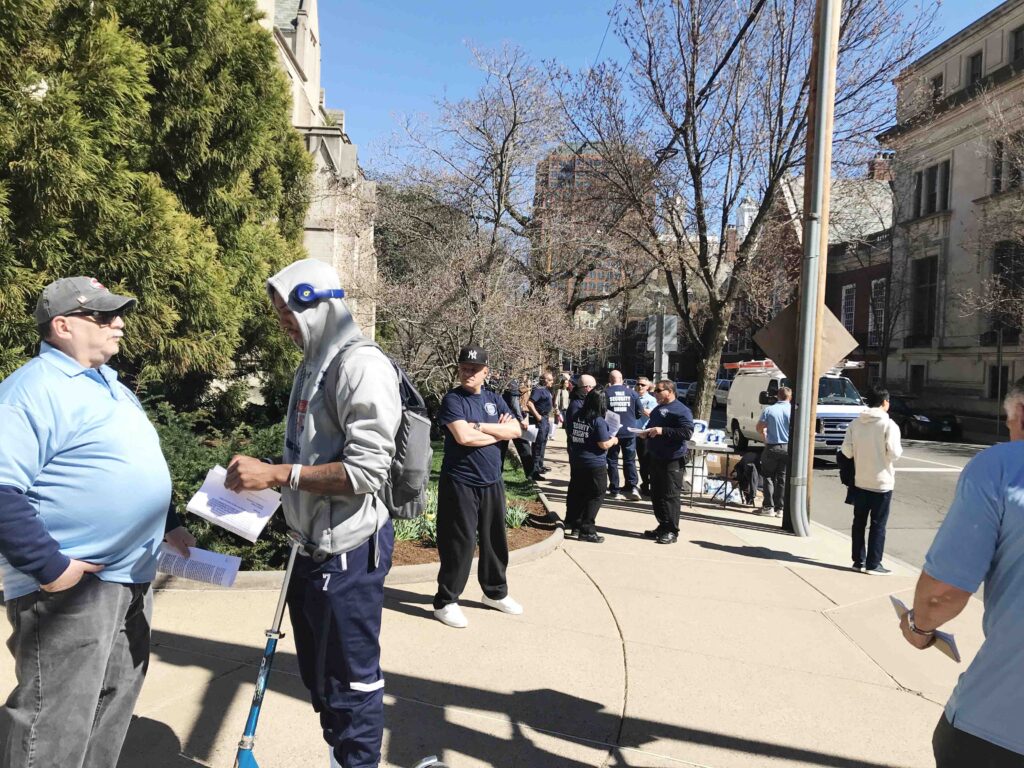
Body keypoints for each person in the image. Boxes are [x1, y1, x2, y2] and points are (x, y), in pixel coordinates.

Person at [0, 276, 196, 768]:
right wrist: (50, 567)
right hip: (70, 585)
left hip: (131, 576)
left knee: (112, 706)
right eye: (104, 316)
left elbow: (129, 462)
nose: (120, 324)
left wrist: (168, 520)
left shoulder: (112, 387)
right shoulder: (32, 389)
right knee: (55, 720)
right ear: (62, 326)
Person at [225, 259, 401, 768]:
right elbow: (308, 452)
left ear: (316, 302)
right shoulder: (313, 363)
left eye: (287, 312)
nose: (283, 323)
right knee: (321, 680)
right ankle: (340, 757)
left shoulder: (360, 365)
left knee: (352, 683)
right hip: (310, 547)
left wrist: (278, 475)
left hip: (347, 551)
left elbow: (367, 472)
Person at [899, 378, 1024, 766]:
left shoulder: (1000, 467)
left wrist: (919, 629)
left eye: (1009, 423)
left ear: (1020, 412)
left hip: (1001, 724)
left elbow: (942, 593)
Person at [432, 345, 524, 629]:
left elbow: (517, 431)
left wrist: (482, 428)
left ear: (486, 372)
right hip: (460, 481)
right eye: (464, 368)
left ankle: (495, 593)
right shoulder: (453, 400)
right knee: (459, 543)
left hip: (492, 480)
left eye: (474, 369)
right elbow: (462, 437)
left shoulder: (495, 400)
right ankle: (446, 601)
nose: (468, 373)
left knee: (495, 539)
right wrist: (497, 433)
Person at [841, 384, 902, 575]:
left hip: (860, 480)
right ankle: (874, 563)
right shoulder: (889, 425)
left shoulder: (855, 423)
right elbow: (894, 453)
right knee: (878, 524)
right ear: (885, 402)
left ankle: (858, 560)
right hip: (882, 482)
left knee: (858, 522)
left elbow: (847, 451)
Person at [640, 381, 695, 544]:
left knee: (670, 495)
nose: (655, 393)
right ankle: (662, 525)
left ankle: (672, 530)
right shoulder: (658, 410)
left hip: (672, 459)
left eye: (658, 390)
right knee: (656, 494)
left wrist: (663, 431)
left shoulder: (681, 410)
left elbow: (687, 432)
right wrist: (645, 433)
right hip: (655, 456)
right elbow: (651, 427)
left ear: (670, 391)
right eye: (654, 390)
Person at [565, 388, 618, 542]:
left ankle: (575, 525)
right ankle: (587, 530)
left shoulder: (577, 416)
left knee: (578, 493)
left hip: (577, 460)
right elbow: (603, 444)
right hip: (594, 464)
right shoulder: (599, 421)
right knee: (596, 494)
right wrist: (614, 440)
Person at [605, 369, 645, 501]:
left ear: (610, 380)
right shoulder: (632, 393)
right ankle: (632, 486)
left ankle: (614, 489)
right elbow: (639, 412)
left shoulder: (606, 393)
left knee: (612, 460)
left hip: (612, 433)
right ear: (622, 380)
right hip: (629, 431)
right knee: (630, 460)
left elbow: (601, 411)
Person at [756, 385, 792, 518]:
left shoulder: (769, 410)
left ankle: (768, 507)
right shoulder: (792, 411)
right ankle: (780, 508)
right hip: (788, 447)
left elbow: (759, 427)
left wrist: (764, 435)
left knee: (768, 476)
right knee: (782, 477)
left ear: (778, 395)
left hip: (772, 446)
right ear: (790, 397)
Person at [526, 371, 555, 479]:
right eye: (551, 380)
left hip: (545, 419)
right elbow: (529, 403)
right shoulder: (538, 390)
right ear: (545, 380)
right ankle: (534, 472)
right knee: (538, 445)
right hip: (540, 420)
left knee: (543, 443)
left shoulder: (545, 390)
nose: (552, 382)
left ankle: (539, 466)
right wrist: (538, 416)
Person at [501, 377, 530, 471]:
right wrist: (520, 419)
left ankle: (498, 472)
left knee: (501, 449)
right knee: (524, 447)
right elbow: (514, 404)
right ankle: (531, 473)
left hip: (503, 419)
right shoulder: (512, 383)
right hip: (512, 421)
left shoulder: (503, 382)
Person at [635, 377, 658, 496]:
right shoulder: (633, 396)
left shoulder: (651, 400)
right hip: (632, 432)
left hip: (644, 433)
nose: (640, 386)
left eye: (643, 385)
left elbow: (652, 415)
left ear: (648, 387)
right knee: (632, 460)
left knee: (645, 461)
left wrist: (641, 408)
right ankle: (632, 484)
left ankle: (646, 485)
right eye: (638, 384)